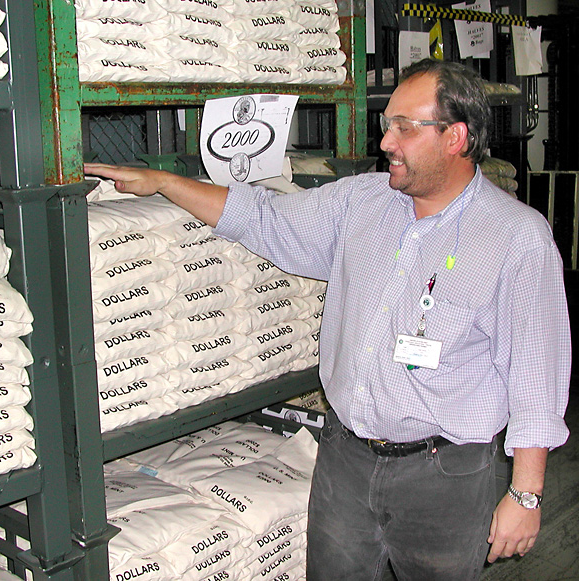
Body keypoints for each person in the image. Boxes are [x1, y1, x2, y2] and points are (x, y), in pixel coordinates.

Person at [85, 58, 571, 580]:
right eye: (387, 124)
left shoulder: (515, 238)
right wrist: (165, 182)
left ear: (455, 137)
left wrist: (526, 494)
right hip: (346, 459)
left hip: (443, 476)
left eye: (405, 128)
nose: (386, 142)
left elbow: (535, 375)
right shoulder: (362, 201)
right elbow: (262, 217)